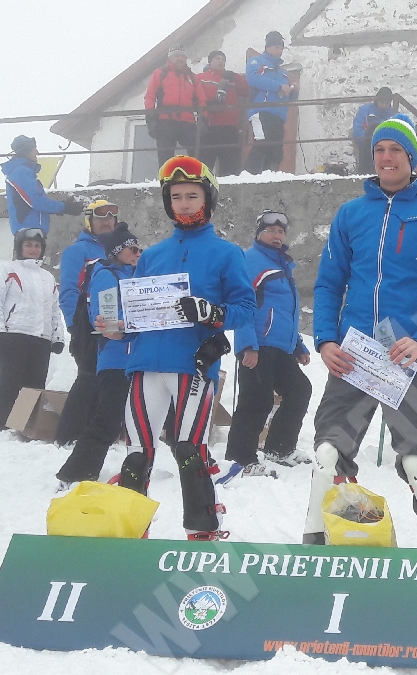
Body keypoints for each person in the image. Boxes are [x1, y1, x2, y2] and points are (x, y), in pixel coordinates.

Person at [306, 113, 417, 549]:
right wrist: (325, 340)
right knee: (328, 455)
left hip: (404, 355)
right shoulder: (351, 214)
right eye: (379, 149)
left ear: (413, 158)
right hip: (353, 355)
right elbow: (328, 284)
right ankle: (332, 540)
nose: (386, 157)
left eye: (396, 149)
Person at [106, 156, 253, 541]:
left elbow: (246, 308)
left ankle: (202, 530)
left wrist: (212, 312)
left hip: (192, 364)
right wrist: (122, 328)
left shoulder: (227, 253)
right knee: (137, 452)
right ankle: (129, 532)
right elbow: (135, 310)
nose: (184, 204)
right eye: (175, 197)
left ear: (208, 199)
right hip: (144, 364)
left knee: (189, 449)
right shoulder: (151, 256)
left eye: (192, 196)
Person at [221, 210, 313, 481]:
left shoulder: (282, 265)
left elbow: (285, 311)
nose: (276, 235)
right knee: (256, 401)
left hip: (279, 347)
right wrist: (246, 344)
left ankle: (279, 449)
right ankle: (240, 458)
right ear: (259, 233)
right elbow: (241, 302)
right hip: (258, 344)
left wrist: (297, 345)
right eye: (270, 230)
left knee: (299, 390)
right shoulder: (251, 260)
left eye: (281, 231)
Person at [55, 224, 142, 487]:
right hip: (115, 360)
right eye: (132, 249)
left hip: (136, 358)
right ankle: (74, 473)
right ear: (117, 251)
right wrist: (135, 325)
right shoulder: (106, 275)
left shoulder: (137, 276)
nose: (138, 254)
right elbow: (106, 323)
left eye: (139, 249)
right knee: (107, 420)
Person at [53, 200, 120, 446]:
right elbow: (69, 289)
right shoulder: (78, 251)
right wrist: (74, 324)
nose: (106, 222)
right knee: (88, 377)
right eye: (100, 218)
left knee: (108, 379)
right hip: (86, 322)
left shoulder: (117, 251)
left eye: (110, 218)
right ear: (89, 222)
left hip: (113, 322)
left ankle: (95, 434)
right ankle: (68, 434)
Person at [0, 228, 66, 431]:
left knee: (35, 383)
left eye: (37, 246)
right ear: (19, 247)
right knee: (10, 379)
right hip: (13, 334)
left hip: (40, 337)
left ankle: (25, 423)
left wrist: (57, 336)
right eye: (28, 245)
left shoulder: (47, 277)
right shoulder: (6, 270)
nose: (33, 249)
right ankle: (0, 422)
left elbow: (54, 309)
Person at [2, 136, 82, 235]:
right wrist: (64, 207)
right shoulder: (21, 172)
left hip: (29, 230)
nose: (37, 152)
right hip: (29, 231)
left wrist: (64, 206)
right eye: (34, 148)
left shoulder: (22, 171)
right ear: (26, 150)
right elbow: (37, 201)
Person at [246, 31, 298, 174]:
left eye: (281, 48)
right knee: (262, 143)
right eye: (276, 47)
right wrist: (279, 86)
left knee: (276, 150)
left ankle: (270, 175)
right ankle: (249, 175)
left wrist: (293, 91)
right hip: (261, 111)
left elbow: (288, 97)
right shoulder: (256, 61)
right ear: (268, 46)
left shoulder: (284, 72)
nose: (279, 50)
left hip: (279, 116)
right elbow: (253, 79)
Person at [145, 45, 204, 165]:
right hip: (165, 121)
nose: (180, 59)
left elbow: (201, 100)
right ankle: (166, 176)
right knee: (165, 157)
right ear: (170, 58)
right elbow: (150, 96)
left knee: (197, 153)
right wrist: (150, 120)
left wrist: (204, 119)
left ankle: (194, 175)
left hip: (187, 121)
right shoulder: (160, 73)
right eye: (177, 56)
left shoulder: (192, 77)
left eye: (183, 56)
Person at [195, 50, 249, 177]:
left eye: (223, 59)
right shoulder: (201, 77)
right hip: (209, 127)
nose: (221, 61)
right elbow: (195, 97)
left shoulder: (231, 79)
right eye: (217, 58)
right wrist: (209, 105)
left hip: (230, 127)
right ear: (210, 61)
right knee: (204, 165)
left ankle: (228, 189)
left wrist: (236, 77)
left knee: (230, 168)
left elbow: (246, 91)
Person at [351, 87, 396, 174]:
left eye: (387, 103)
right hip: (367, 146)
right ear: (377, 100)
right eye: (382, 102)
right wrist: (372, 140)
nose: (384, 105)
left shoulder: (393, 114)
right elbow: (357, 130)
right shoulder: (364, 111)